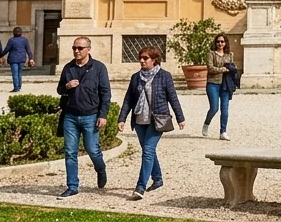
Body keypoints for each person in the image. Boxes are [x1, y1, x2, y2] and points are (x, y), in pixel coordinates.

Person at [118, 46, 186, 200]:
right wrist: (122, 119)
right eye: (140, 58)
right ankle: (158, 178)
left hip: (157, 120)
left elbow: (173, 97)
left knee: (148, 151)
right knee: (148, 150)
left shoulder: (164, 76)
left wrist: (180, 117)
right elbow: (128, 99)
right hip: (139, 119)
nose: (141, 61)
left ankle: (140, 187)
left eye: (145, 58)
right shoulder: (135, 77)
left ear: (154, 60)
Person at [57, 36, 112, 198]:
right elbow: (60, 89)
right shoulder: (68, 68)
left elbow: (105, 93)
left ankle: (100, 169)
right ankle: (72, 186)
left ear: (88, 49)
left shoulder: (99, 68)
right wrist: (67, 86)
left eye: (80, 48)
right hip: (70, 116)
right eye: (74, 48)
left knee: (93, 150)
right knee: (70, 152)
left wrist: (103, 115)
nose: (76, 51)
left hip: (91, 116)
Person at [203, 34, 236, 140]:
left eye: (222, 41)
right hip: (213, 83)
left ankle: (223, 132)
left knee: (225, 109)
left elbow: (233, 67)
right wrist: (223, 69)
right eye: (218, 41)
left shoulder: (230, 55)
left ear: (225, 43)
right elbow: (210, 68)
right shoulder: (211, 54)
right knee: (214, 108)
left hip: (225, 84)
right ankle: (206, 123)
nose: (220, 43)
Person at [1, 26, 35, 93]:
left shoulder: (11, 40)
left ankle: (16, 88)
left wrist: (1, 55)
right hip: (22, 58)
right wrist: (31, 58)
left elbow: (7, 49)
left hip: (13, 59)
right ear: (21, 33)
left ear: (13, 33)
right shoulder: (24, 40)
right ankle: (19, 86)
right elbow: (28, 50)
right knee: (19, 73)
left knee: (15, 74)